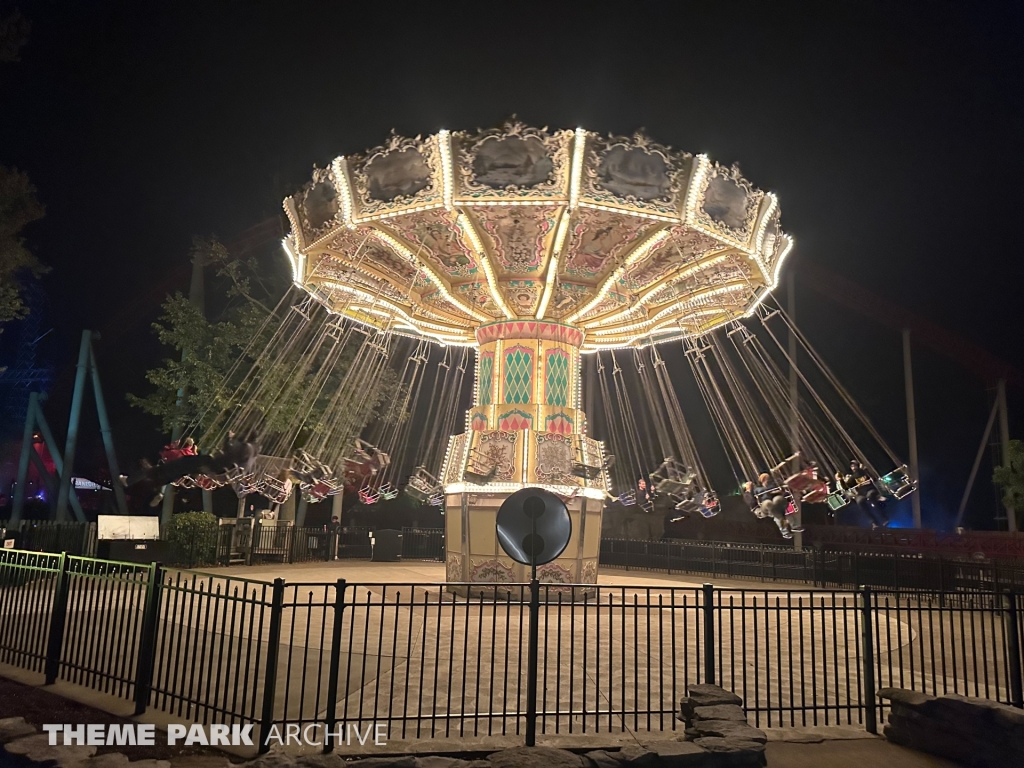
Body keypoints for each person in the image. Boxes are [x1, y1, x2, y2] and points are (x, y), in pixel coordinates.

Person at [841, 459, 889, 529]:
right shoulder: (853, 477)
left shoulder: (863, 472)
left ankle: (884, 518)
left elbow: (873, 477)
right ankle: (874, 522)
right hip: (861, 493)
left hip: (869, 489)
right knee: (861, 503)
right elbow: (847, 486)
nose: (853, 467)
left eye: (854, 465)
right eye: (852, 466)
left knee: (872, 500)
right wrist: (844, 480)